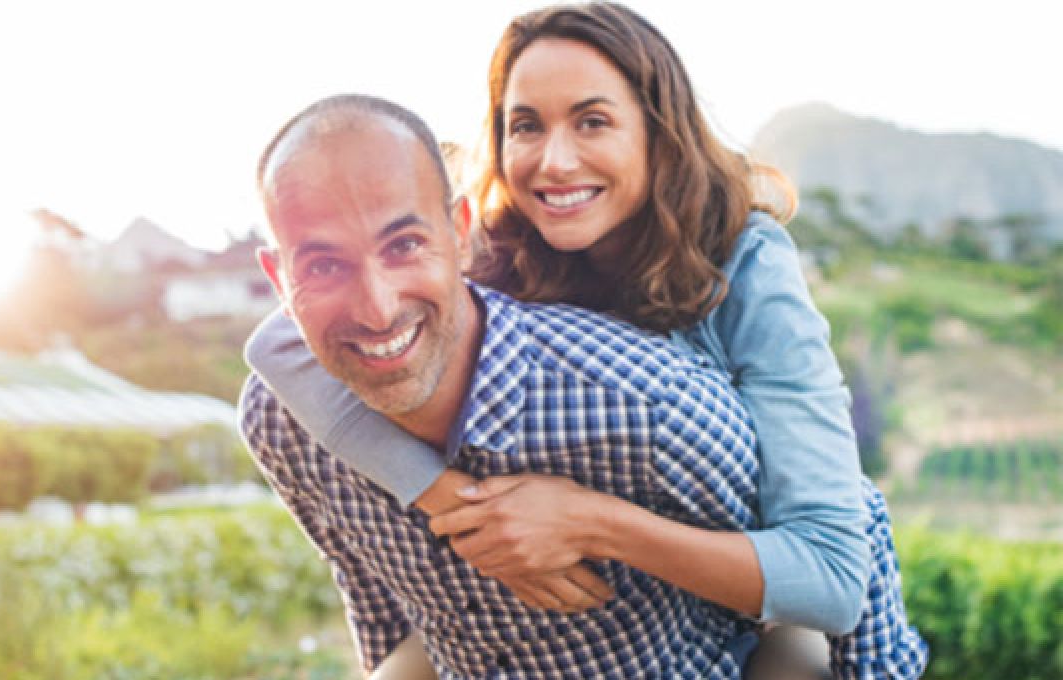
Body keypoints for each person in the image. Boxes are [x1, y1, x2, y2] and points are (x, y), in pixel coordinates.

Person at [247, 4, 927, 678]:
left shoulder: (746, 264)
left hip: (759, 603)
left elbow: (832, 576)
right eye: (526, 127)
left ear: (657, 134)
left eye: (592, 121)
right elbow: (278, 346)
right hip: (549, 608)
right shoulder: (492, 249)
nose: (555, 162)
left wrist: (589, 522)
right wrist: (441, 496)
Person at [244, 93, 797, 678]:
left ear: (460, 234)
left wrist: (602, 524)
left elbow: (830, 565)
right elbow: (381, 612)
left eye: (404, 245)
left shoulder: (647, 404)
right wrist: (435, 491)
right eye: (324, 266)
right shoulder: (281, 421)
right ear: (279, 280)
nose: (377, 310)